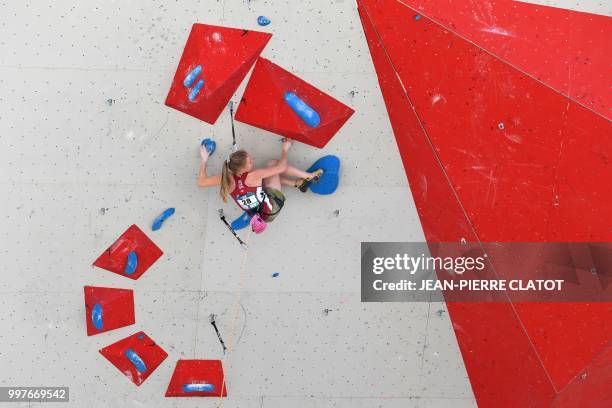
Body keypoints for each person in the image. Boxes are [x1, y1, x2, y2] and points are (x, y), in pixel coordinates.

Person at [197, 139, 322, 222]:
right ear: (241, 169)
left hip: (258, 216)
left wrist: (204, 160)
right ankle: (309, 176)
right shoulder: (254, 176)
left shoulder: (225, 178)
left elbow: (201, 182)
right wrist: (284, 149)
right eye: (250, 162)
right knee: (272, 163)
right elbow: (281, 167)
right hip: (272, 209)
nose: (253, 162)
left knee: (264, 180)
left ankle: (297, 183)